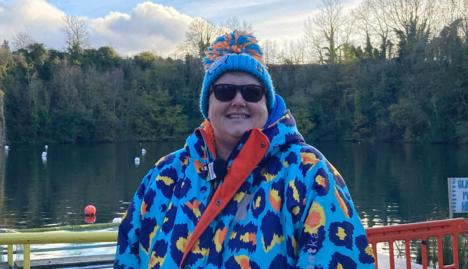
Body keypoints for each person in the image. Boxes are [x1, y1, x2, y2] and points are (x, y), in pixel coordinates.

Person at [114, 31, 375, 269]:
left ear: (267, 103)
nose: (238, 101)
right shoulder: (163, 176)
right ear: (208, 103)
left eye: (251, 92)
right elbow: (128, 256)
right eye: (225, 91)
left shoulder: (308, 172)